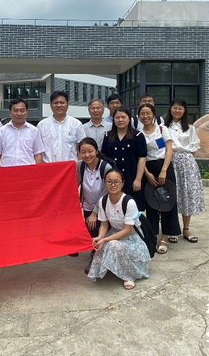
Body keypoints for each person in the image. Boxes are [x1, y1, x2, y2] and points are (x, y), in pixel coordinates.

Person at [87, 169, 151, 290]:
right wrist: (100, 238)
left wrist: (105, 239)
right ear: (105, 183)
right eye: (109, 181)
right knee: (102, 244)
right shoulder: (103, 201)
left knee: (113, 245)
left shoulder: (129, 202)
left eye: (116, 182)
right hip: (114, 233)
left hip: (131, 238)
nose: (113, 185)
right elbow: (104, 225)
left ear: (122, 183)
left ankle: (129, 276)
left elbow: (127, 230)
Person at [138, 103, 181, 254]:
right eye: (142, 114)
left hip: (165, 167)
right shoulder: (139, 134)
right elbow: (140, 157)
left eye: (148, 113)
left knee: (167, 202)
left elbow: (169, 150)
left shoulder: (162, 129)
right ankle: (153, 235)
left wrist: (163, 170)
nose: (145, 116)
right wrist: (147, 174)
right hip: (148, 169)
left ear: (154, 114)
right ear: (139, 116)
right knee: (151, 204)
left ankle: (164, 237)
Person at [165, 99, 205, 243]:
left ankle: (186, 228)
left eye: (180, 108)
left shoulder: (189, 128)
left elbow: (194, 147)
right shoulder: (164, 127)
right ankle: (172, 229)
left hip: (187, 163)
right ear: (170, 109)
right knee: (172, 194)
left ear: (184, 110)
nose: (177, 111)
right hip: (169, 160)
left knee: (186, 193)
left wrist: (185, 159)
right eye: (175, 108)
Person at [76, 137, 113, 273]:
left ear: (96, 151)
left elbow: (106, 192)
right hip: (87, 206)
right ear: (79, 153)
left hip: (104, 207)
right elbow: (74, 184)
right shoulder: (80, 166)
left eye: (90, 151)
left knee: (102, 233)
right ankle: (96, 253)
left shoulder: (105, 167)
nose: (87, 155)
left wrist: (94, 213)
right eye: (83, 152)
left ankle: (97, 261)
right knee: (92, 234)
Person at [101, 106, 147, 210]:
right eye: (117, 117)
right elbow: (104, 157)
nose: (120, 120)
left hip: (132, 177)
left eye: (123, 117)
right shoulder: (108, 135)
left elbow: (142, 158)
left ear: (129, 119)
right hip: (114, 179)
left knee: (133, 208)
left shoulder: (138, 136)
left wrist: (138, 179)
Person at [0, 97, 45, 167]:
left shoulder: (34, 131)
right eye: (15, 110)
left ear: (26, 112)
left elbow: (38, 155)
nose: (19, 114)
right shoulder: (1, 131)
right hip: (6, 171)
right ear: (10, 112)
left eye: (22, 110)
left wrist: (37, 171)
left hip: (28, 171)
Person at [37, 90, 85, 163]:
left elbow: (81, 149)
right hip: (49, 167)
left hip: (70, 167)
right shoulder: (42, 125)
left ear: (67, 105)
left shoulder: (76, 124)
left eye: (62, 103)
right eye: (55, 103)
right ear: (50, 105)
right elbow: (38, 151)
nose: (59, 105)